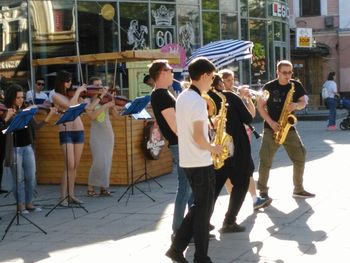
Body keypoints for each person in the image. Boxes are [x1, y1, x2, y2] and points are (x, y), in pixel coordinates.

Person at [166, 57, 223, 263]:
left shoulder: (182, 97)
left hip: (189, 161)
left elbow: (186, 130)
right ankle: (201, 257)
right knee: (203, 213)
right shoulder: (198, 100)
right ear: (205, 75)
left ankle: (176, 249)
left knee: (199, 208)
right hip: (200, 161)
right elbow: (199, 137)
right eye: (212, 77)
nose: (212, 81)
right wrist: (213, 147)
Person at [257, 60, 315, 200]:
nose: (288, 75)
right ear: (278, 72)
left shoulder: (296, 85)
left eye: (290, 72)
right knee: (265, 161)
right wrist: (271, 123)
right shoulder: (268, 87)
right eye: (284, 73)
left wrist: (296, 105)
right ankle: (263, 191)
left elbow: (303, 102)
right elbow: (260, 106)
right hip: (271, 128)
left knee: (300, 157)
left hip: (288, 127)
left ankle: (298, 189)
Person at [149, 60, 193, 240]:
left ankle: (192, 226)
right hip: (181, 144)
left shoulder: (163, 94)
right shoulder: (162, 95)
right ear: (161, 72)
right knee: (185, 188)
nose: (173, 72)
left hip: (180, 144)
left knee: (190, 188)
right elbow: (175, 126)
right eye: (169, 69)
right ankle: (179, 230)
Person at [218, 69, 271, 210]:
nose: (232, 83)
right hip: (228, 139)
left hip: (242, 138)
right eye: (228, 80)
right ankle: (234, 201)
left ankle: (255, 199)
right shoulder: (222, 97)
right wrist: (240, 97)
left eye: (232, 79)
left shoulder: (235, 96)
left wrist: (247, 99)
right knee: (229, 171)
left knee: (247, 168)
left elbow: (251, 116)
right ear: (221, 82)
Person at [3, 84, 56, 213]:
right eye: (18, 98)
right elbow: (4, 129)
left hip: (27, 147)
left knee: (31, 177)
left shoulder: (25, 110)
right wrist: (7, 117)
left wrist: (50, 115)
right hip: (15, 149)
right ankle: (20, 205)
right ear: (11, 98)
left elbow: (36, 127)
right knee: (18, 179)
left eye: (22, 97)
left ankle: (29, 203)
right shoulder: (6, 111)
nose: (21, 100)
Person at [52, 70, 87, 205]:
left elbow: (85, 107)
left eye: (71, 80)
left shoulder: (72, 95)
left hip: (78, 130)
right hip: (66, 131)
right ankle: (63, 196)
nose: (70, 83)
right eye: (68, 81)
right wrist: (78, 92)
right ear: (61, 82)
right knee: (69, 165)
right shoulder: (55, 96)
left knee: (75, 166)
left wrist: (98, 97)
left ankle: (71, 195)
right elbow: (70, 106)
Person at [85, 77, 121, 197]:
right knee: (98, 161)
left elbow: (116, 116)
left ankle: (104, 187)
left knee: (107, 161)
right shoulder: (88, 101)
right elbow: (92, 115)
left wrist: (113, 104)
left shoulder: (106, 99)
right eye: (96, 85)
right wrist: (105, 105)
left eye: (101, 85)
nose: (100, 87)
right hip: (96, 134)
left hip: (107, 133)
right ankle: (90, 186)